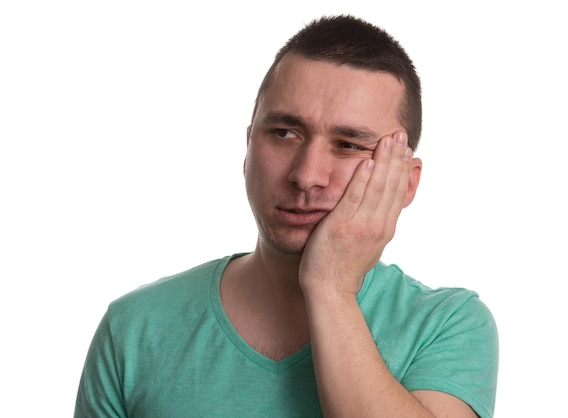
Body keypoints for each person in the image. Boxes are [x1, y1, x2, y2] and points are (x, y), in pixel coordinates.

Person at [74, 14, 498, 418]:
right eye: (284, 133)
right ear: (247, 148)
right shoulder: (133, 329)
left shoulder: (448, 324)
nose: (306, 176)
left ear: (404, 182)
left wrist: (331, 287)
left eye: (349, 144)